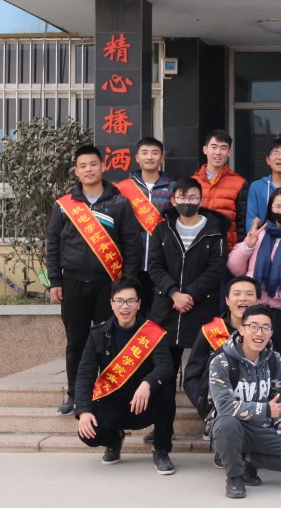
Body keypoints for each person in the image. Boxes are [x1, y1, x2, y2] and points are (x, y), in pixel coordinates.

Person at [46, 145, 142, 415]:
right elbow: (53, 245)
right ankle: (75, 395)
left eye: (93, 164)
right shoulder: (65, 206)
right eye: (83, 166)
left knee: (110, 341)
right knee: (76, 342)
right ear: (76, 171)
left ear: (103, 167)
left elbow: (132, 245)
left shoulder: (119, 203)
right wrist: (55, 281)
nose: (89, 169)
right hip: (73, 284)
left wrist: (127, 283)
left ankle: (108, 393)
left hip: (108, 285)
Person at [73, 278, 176, 474]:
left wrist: (148, 383)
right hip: (112, 401)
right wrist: (83, 410)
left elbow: (166, 367)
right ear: (111, 303)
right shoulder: (98, 334)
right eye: (119, 301)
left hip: (143, 402)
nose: (125, 307)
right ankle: (114, 440)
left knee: (166, 391)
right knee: (88, 433)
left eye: (130, 301)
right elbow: (85, 374)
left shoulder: (153, 332)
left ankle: (161, 449)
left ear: (139, 304)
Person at [209, 305, 281, 499]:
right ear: (242, 329)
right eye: (253, 327)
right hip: (234, 428)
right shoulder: (221, 362)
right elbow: (224, 405)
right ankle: (235, 478)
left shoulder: (273, 360)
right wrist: (265, 410)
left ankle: (249, 462)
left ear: (271, 333)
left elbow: (280, 393)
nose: (259, 333)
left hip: (263, 430)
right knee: (226, 424)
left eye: (266, 328)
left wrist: (278, 420)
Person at [147, 178, 230, 382]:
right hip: (167, 306)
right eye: (182, 198)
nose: (187, 202)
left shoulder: (215, 231)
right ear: (173, 201)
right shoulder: (162, 230)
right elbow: (155, 266)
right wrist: (174, 293)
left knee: (202, 369)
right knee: (164, 369)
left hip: (202, 305)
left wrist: (189, 295)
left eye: (193, 198)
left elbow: (216, 269)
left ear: (201, 201)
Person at [182, 275, 259, 469]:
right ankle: (222, 440)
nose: (243, 298)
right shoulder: (210, 331)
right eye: (237, 294)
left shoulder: (265, 331)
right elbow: (192, 374)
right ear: (227, 300)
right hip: (220, 400)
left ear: (257, 300)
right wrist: (204, 406)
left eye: (249, 294)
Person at [227, 186, 281, 354]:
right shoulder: (259, 235)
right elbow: (234, 268)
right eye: (277, 206)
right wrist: (248, 245)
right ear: (270, 209)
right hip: (254, 309)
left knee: (279, 358)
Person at [114, 136, 174, 316]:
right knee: (133, 315)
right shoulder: (123, 189)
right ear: (137, 158)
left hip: (163, 264)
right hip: (133, 264)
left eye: (155, 153)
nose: (149, 157)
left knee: (160, 316)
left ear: (162, 158)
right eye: (145, 153)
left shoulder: (173, 188)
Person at [191, 129, 248, 251]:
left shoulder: (239, 182)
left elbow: (242, 224)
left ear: (229, 152)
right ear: (205, 150)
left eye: (223, 148)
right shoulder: (193, 182)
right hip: (197, 249)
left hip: (228, 250)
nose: (218, 152)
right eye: (214, 147)